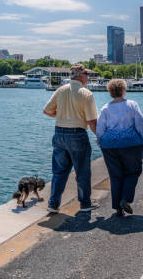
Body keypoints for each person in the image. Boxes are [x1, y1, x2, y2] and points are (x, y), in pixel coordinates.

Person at [43, 64, 99, 214]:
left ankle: (53, 205)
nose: (88, 77)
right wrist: (100, 137)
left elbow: (47, 110)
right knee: (82, 171)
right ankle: (85, 203)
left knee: (59, 171)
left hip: (59, 133)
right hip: (77, 134)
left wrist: (61, 115)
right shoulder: (86, 93)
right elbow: (92, 121)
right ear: (80, 76)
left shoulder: (60, 90)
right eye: (86, 74)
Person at [96, 79, 143, 217]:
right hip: (130, 143)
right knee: (133, 171)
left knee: (115, 175)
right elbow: (140, 123)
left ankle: (118, 208)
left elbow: (100, 129)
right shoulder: (132, 105)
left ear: (110, 92)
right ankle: (125, 199)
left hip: (109, 145)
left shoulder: (105, 108)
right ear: (123, 90)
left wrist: (100, 142)